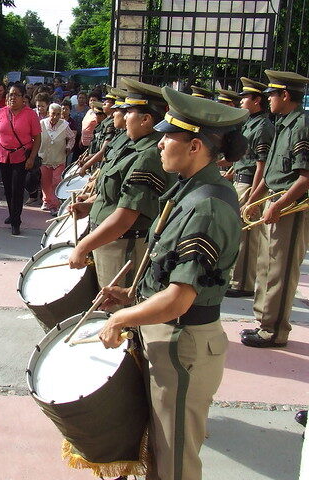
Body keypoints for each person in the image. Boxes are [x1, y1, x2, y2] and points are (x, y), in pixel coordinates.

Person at [96, 86, 247, 480]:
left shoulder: (207, 207)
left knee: (174, 464)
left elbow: (181, 300)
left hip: (184, 346)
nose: (160, 143)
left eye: (169, 137)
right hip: (170, 340)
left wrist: (121, 318)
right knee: (160, 455)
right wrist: (132, 294)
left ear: (195, 146)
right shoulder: (190, 190)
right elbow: (174, 273)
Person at [69, 79, 174, 291]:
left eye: (130, 112)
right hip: (110, 241)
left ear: (146, 119)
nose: (123, 116)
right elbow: (118, 194)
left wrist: (83, 246)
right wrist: (90, 205)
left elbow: (126, 217)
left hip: (123, 246)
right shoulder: (134, 144)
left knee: (117, 312)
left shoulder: (148, 155)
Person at [241, 70, 309, 348]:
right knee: (265, 265)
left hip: (290, 206)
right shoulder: (283, 123)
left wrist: (279, 205)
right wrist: (255, 200)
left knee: (280, 269)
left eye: (271, 94)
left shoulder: (302, 124)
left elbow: (305, 175)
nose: (267, 99)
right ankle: (263, 320)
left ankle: (275, 331)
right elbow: (270, 172)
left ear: (285, 95)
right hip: (275, 200)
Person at [224, 78, 274, 298]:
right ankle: (237, 278)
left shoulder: (263, 127)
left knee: (247, 235)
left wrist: (254, 197)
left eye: (245, 97)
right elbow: (245, 158)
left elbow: (261, 165)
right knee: (238, 233)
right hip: (241, 180)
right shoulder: (251, 123)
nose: (242, 100)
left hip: (250, 183)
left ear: (257, 100)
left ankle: (243, 283)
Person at [0, 83, 42, 235]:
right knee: (8, 189)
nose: (13, 97)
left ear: (23, 98)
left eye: (16, 94)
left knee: (17, 189)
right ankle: (12, 214)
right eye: (10, 94)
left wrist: (31, 157)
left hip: (21, 157)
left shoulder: (30, 114)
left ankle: (16, 222)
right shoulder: (1, 113)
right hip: (4, 156)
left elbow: (37, 138)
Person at [39, 103, 75, 215]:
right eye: (53, 114)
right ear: (48, 113)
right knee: (45, 182)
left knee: (56, 181)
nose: (55, 116)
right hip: (44, 157)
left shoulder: (64, 125)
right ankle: (46, 201)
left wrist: (69, 147)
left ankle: (54, 204)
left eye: (58, 114)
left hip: (59, 158)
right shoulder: (42, 124)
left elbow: (72, 137)